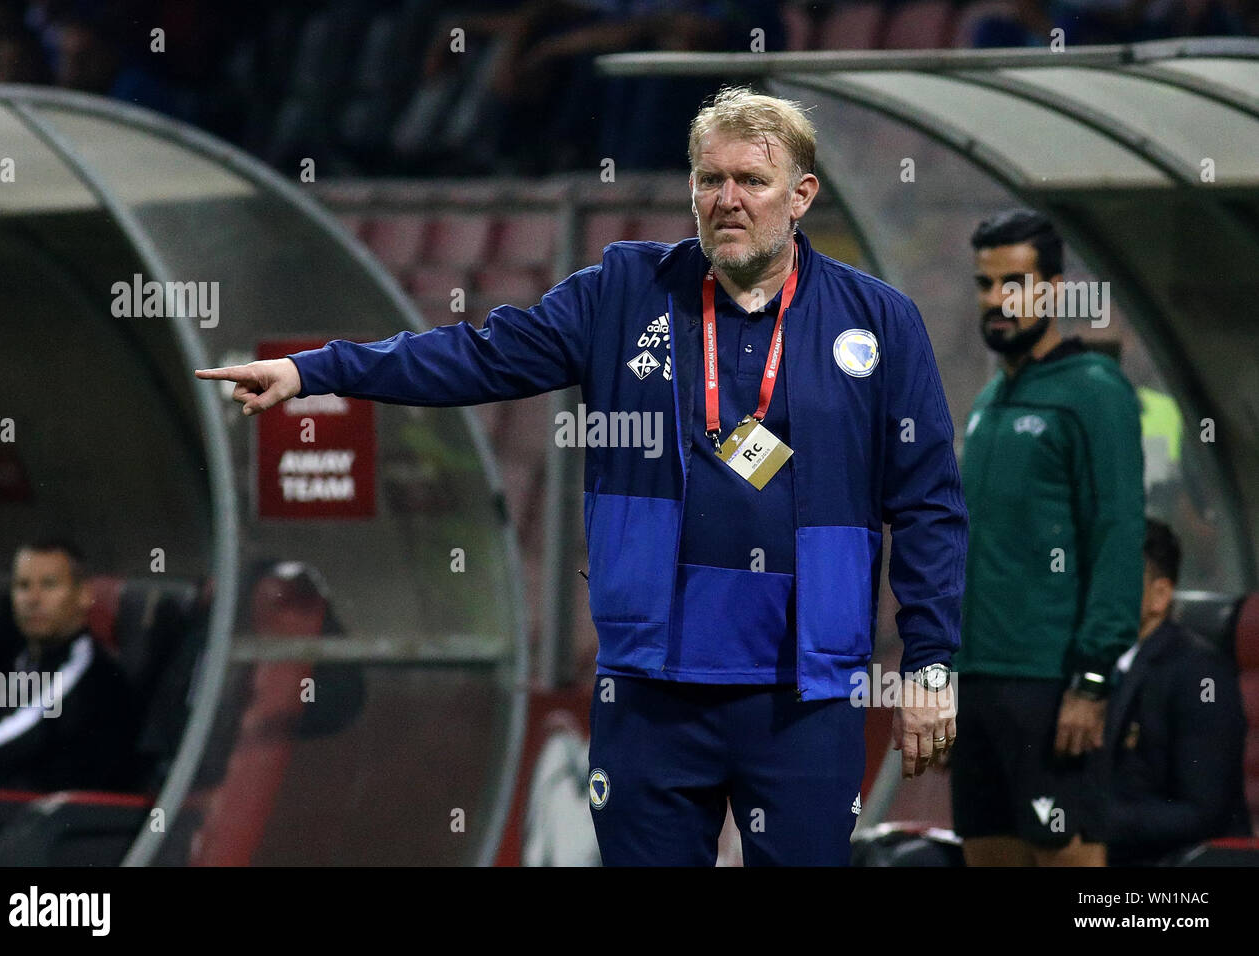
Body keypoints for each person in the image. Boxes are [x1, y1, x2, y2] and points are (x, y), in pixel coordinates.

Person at [195, 86, 968, 866]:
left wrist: (931, 660)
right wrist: (315, 370)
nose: (726, 200)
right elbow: (479, 355)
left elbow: (930, 502)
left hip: (803, 692)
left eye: (751, 181)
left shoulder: (877, 320)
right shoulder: (627, 292)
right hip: (650, 686)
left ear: (801, 195)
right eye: (709, 179)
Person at [952, 209, 1145, 867]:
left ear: (1054, 289)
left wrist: (1091, 679)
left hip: (1050, 683)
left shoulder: (1094, 392)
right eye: (985, 284)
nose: (998, 300)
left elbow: (1119, 534)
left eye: (1015, 282)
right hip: (978, 681)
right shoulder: (988, 403)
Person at [1097, 519, 1251, 864]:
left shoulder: (1199, 674)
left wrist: (1092, 820)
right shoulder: (1091, 667)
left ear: (1160, 595)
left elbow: (1203, 811)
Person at [0, 539, 141, 795]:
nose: (33, 599)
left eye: (49, 585)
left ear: (83, 595)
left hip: (51, 819)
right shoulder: (18, 658)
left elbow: (13, 738)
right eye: (23, 586)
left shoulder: (88, 670)